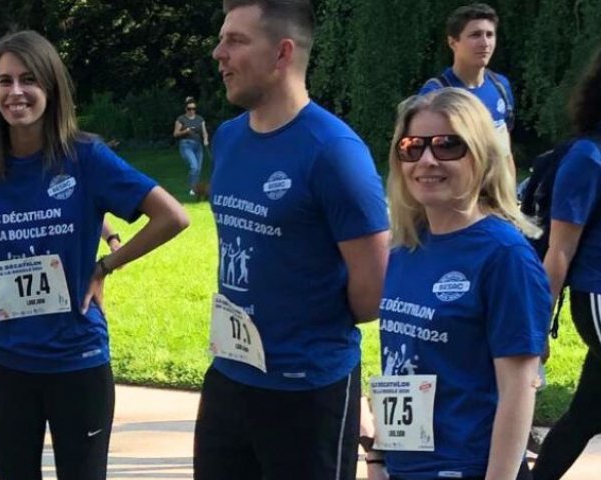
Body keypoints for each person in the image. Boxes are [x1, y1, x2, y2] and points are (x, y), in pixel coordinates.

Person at [0, 30, 189, 479]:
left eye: (29, 80)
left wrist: (104, 266)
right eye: (5, 81)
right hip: (5, 362)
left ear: (51, 88)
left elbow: (172, 216)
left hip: (78, 357)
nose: (15, 92)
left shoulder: (86, 157)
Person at [197, 1, 390, 479]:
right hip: (230, 375)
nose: (219, 53)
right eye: (222, 39)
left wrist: (302, 325)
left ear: (282, 53)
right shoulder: (228, 138)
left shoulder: (335, 153)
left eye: (236, 41)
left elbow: (372, 292)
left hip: (308, 389)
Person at [368, 88, 548, 480]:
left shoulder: (505, 256)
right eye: (412, 147)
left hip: (469, 468)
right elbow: (400, 366)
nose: (427, 160)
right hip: (405, 468)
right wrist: (378, 458)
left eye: (448, 145)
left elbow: (518, 390)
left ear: (481, 156)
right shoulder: (405, 247)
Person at [532, 47, 601, 480]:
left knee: (587, 414)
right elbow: (558, 251)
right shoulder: (587, 158)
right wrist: (537, 326)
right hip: (597, 297)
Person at [419, 3, 515, 155]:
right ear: (453, 42)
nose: (485, 43)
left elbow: (505, 151)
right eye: (475, 35)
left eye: (490, 35)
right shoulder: (436, 93)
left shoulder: (500, 86)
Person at [174, 96, 210, 196]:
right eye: (189, 109)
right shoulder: (181, 119)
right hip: (186, 145)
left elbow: (204, 132)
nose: (191, 111)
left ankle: (194, 188)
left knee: (198, 169)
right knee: (194, 166)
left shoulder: (200, 119)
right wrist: (186, 131)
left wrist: (206, 139)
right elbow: (175, 134)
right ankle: (193, 188)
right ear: (185, 109)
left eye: (193, 109)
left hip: (198, 146)